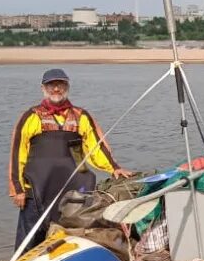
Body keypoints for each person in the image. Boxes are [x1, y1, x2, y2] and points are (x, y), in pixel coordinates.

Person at [9, 69, 133, 249]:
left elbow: (96, 146)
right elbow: (17, 152)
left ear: (67, 87)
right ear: (43, 88)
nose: (56, 89)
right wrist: (17, 189)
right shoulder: (31, 116)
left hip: (70, 192)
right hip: (35, 191)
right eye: (52, 85)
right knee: (28, 243)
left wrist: (114, 168)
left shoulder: (81, 116)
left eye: (61, 84)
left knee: (67, 240)